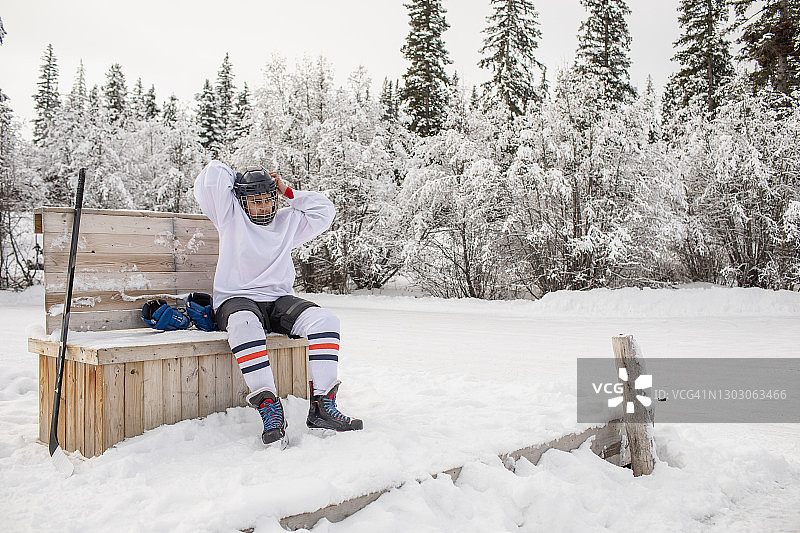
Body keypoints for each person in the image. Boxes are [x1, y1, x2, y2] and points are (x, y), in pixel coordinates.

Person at [193, 161, 363, 446]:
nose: (263, 207)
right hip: (237, 299)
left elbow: (325, 210)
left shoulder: (288, 221)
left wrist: (286, 189)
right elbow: (211, 176)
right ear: (241, 200)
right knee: (244, 324)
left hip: (277, 301)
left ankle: (323, 407)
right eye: (255, 200)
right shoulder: (230, 216)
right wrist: (242, 181)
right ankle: (269, 409)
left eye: (268, 199)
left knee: (326, 320)